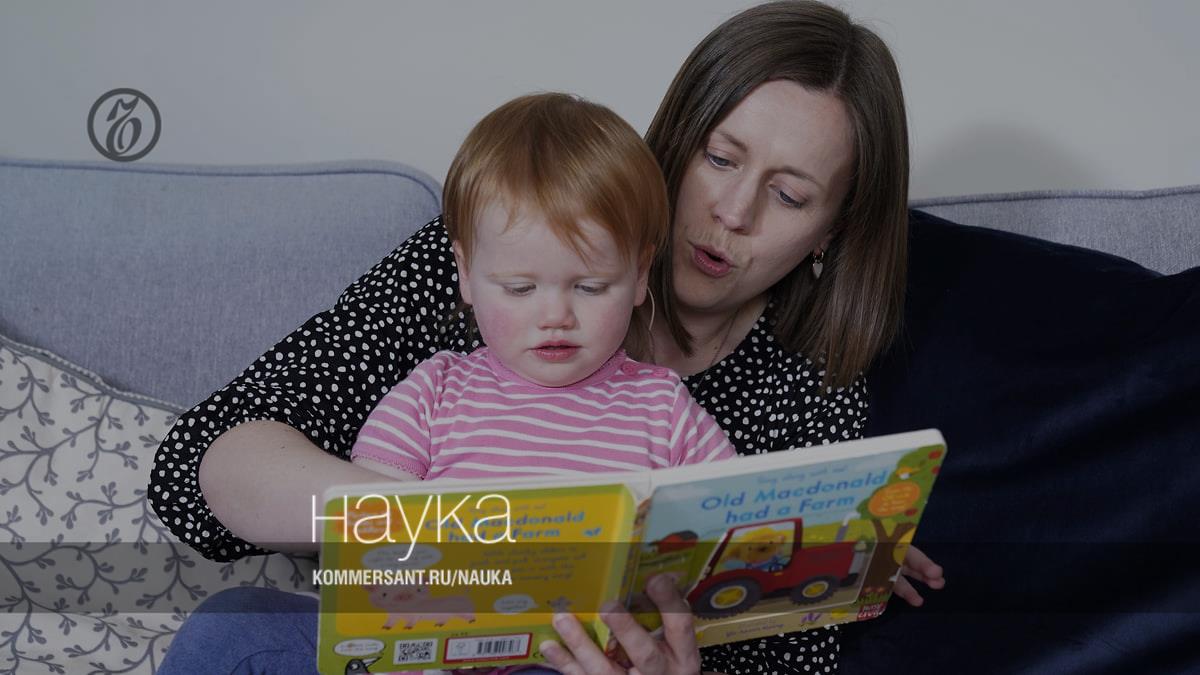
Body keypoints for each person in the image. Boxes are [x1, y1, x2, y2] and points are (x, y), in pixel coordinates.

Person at [151, 2, 945, 673]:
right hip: (416, 637)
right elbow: (199, 468)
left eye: (790, 195)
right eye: (719, 157)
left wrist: (824, 542)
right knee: (234, 626)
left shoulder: (787, 395)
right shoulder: (500, 255)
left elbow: (774, 619)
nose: (734, 212)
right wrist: (417, 524)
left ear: (831, 230)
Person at [349, 92, 734, 483]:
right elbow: (368, 514)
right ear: (465, 272)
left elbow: (738, 507)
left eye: (590, 287)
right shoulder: (432, 396)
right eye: (520, 288)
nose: (556, 317)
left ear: (639, 275)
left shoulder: (666, 411)